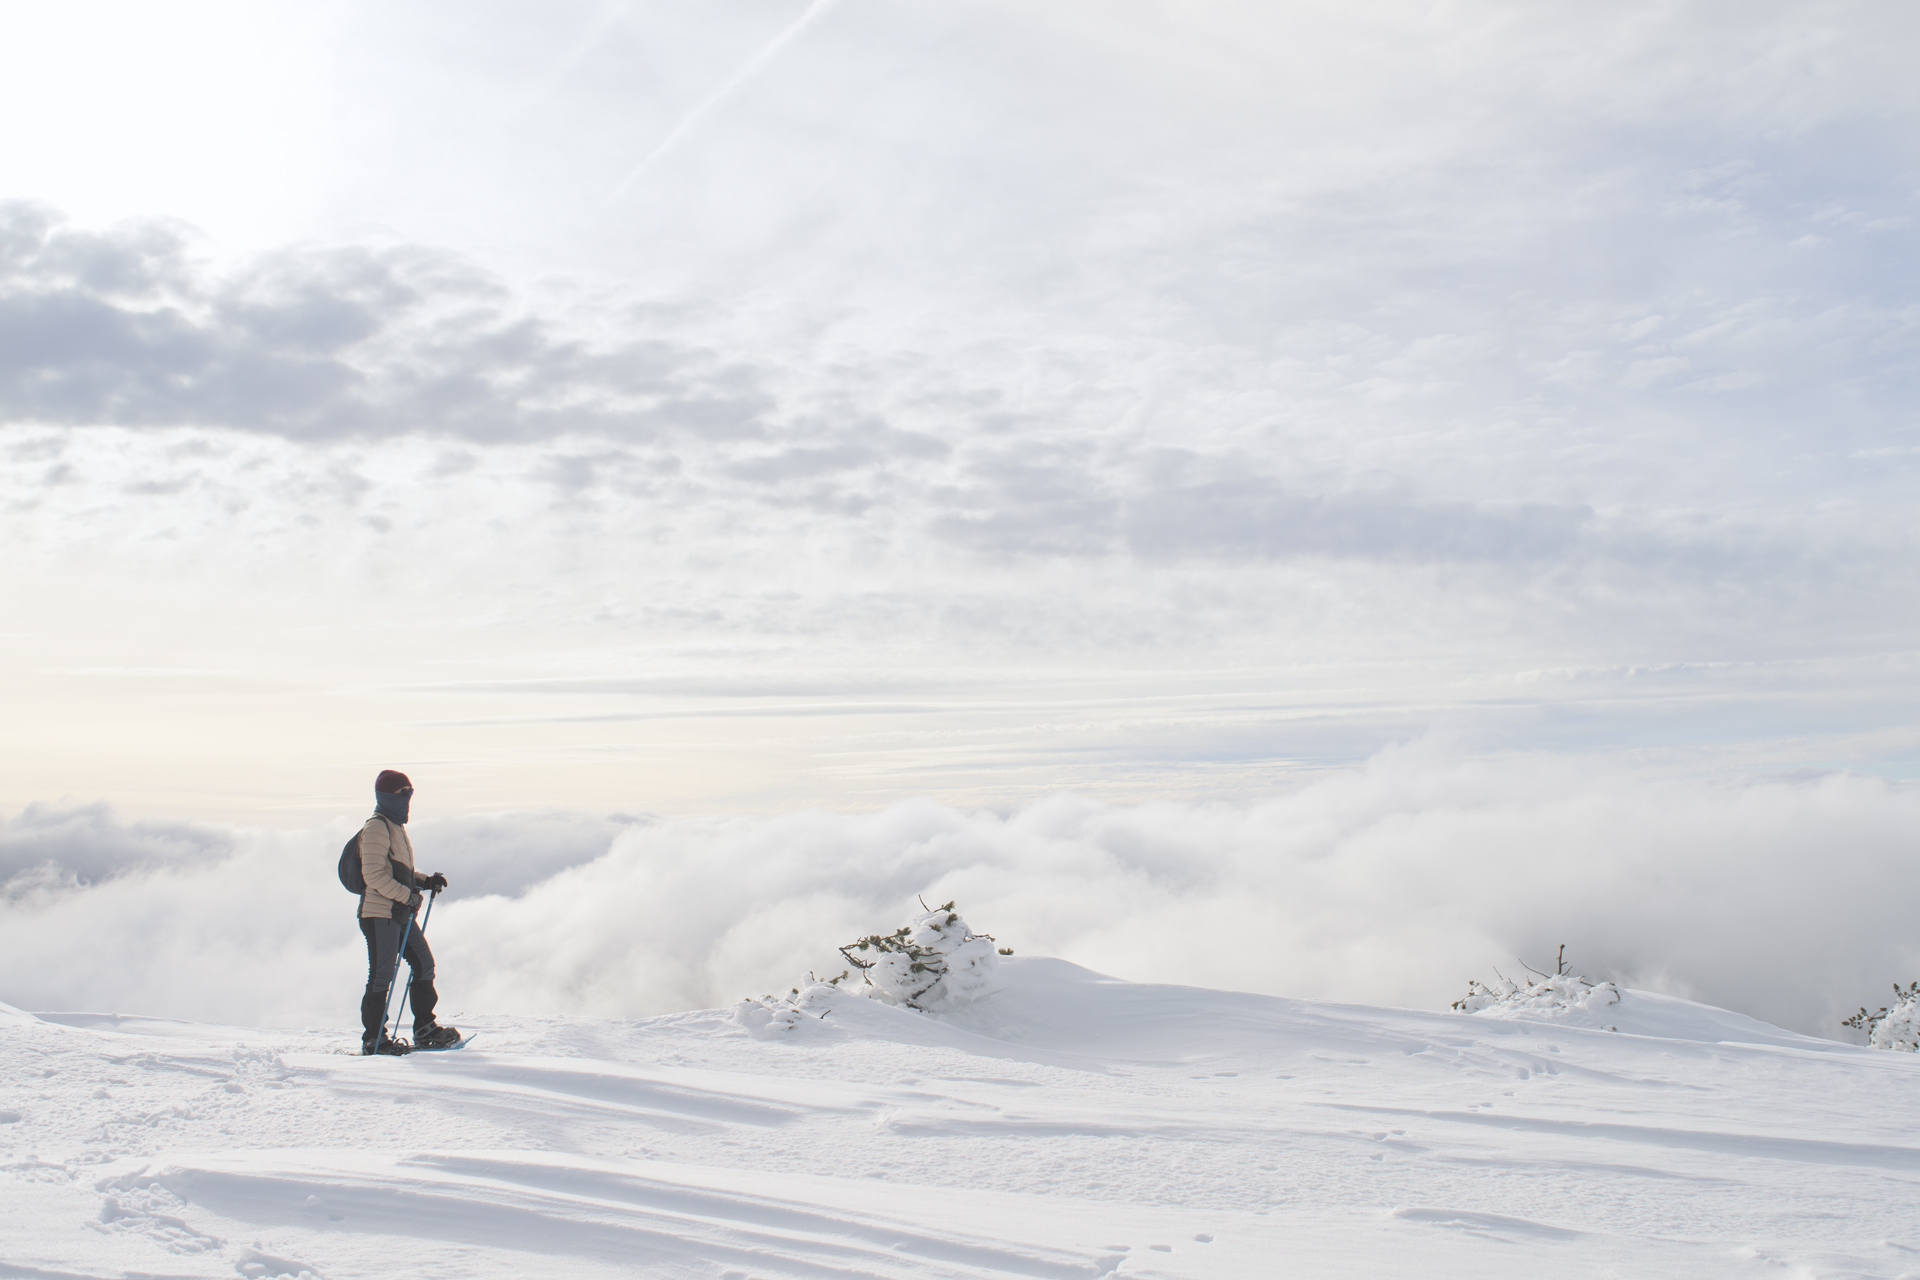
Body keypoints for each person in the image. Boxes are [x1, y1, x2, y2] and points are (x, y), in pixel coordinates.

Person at [356, 769, 459, 1054]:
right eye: (404, 793)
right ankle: (374, 1040)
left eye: (410, 792)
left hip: (398, 912)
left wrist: (425, 881)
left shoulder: (395, 826)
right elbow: (373, 876)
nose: (408, 798)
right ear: (387, 796)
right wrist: (408, 896)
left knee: (424, 964)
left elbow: (397, 872)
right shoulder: (377, 827)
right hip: (379, 914)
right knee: (381, 976)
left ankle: (425, 1027)